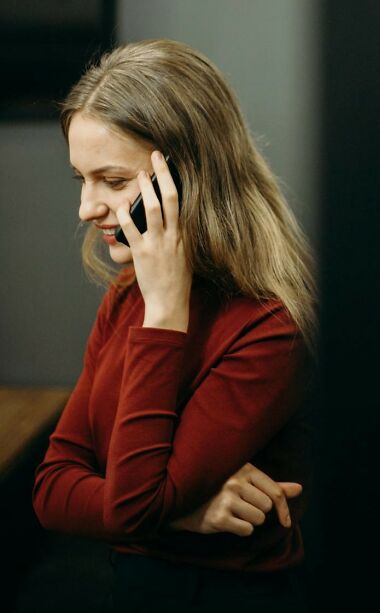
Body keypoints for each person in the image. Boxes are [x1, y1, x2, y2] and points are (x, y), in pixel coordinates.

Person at [32, 39, 316, 612]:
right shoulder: (125, 297)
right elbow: (52, 487)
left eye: (113, 181)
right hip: (137, 589)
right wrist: (184, 512)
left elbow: (128, 509)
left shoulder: (269, 326)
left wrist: (165, 313)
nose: (88, 208)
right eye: (81, 180)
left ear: (187, 178)